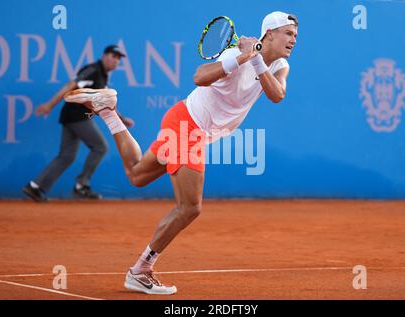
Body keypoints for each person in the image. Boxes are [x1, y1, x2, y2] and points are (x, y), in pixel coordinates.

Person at [64, 12, 298, 294]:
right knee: (190, 207)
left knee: (137, 175)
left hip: (188, 124)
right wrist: (240, 58)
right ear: (269, 33)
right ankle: (141, 270)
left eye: (296, 35)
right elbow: (199, 76)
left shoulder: (279, 65)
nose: (293, 40)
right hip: (189, 125)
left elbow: (277, 95)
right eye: (288, 33)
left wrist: (256, 59)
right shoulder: (236, 52)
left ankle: (107, 110)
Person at [23, 45, 134, 202]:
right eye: (113, 56)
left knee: (66, 156)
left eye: (118, 58)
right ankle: (81, 186)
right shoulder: (93, 70)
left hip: (72, 116)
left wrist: (122, 119)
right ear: (104, 56)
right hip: (76, 116)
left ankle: (34, 187)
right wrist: (49, 105)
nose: (116, 60)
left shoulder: (103, 76)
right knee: (100, 147)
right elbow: (70, 86)